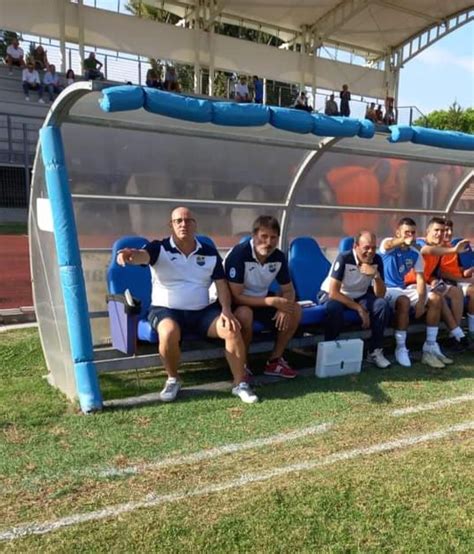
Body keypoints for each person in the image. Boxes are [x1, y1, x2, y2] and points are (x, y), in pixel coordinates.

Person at [116, 206, 258, 404]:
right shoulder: (158, 248)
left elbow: (221, 285)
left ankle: (240, 383)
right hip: (166, 310)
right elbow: (142, 256)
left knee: (231, 328)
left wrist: (226, 310)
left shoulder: (209, 252)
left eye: (188, 220)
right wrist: (130, 256)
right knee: (168, 331)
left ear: (195, 225)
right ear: (171, 225)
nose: (184, 224)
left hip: (202, 313)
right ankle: (173, 379)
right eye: (178, 221)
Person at [225, 216, 302, 379]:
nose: (268, 242)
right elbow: (236, 296)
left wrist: (285, 308)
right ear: (254, 235)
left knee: (295, 310)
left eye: (273, 237)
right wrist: (271, 301)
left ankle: (274, 361)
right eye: (264, 236)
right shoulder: (239, 254)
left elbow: (289, 290)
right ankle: (243, 365)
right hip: (237, 303)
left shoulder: (279, 257)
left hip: (262, 299)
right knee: (245, 315)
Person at [380, 217, 450, 368]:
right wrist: (403, 240)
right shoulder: (388, 244)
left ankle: (430, 345)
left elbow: (420, 278)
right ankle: (401, 348)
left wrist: (420, 300)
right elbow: (389, 244)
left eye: (412, 233)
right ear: (398, 232)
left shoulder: (414, 252)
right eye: (406, 233)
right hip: (385, 290)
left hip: (402, 289)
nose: (410, 236)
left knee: (436, 298)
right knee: (404, 300)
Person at [318, 230, 391, 368]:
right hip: (335, 294)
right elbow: (333, 293)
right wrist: (359, 309)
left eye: (373, 248)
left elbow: (380, 295)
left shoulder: (377, 260)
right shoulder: (344, 258)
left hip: (359, 294)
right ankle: (331, 349)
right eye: (366, 248)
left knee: (381, 305)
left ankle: (374, 351)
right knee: (333, 307)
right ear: (355, 246)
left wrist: (376, 276)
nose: (370, 252)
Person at [404, 217, 471, 353]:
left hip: (427, 284)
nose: (439, 234)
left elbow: (433, 271)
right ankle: (460, 336)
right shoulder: (418, 244)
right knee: (438, 298)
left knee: (455, 291)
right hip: (409, 285)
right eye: (436, 230)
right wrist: (453, 250)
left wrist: (434, 279)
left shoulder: (439, 249)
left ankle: (454, 337)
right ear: (427, 231)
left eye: (442, 231)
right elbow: (427, 251)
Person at [440, 220, 474, 341]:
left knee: (472, 291)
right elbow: (441, 273)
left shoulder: (456, 245)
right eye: (444, 230)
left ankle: (471, 332)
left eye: (450, 230)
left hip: (458, 281)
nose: (448, 233)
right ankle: (456, 335)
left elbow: (465, 271)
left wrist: (469, 276)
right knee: (461, 291)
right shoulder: (434, 248)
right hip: (444, 282)